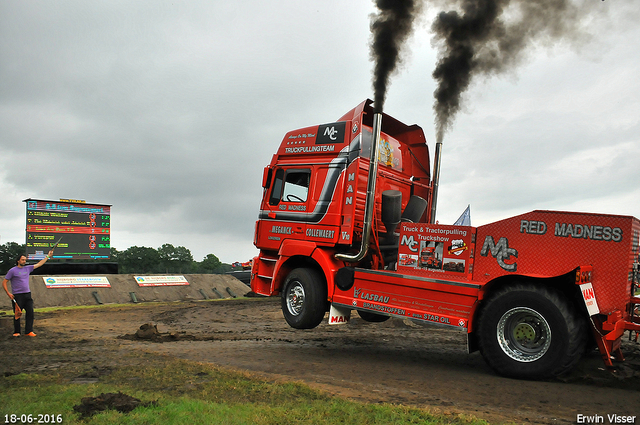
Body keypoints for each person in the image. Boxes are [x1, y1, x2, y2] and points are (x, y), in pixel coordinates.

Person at [3, 249, 54, 337]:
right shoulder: (12, 270)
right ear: (18, 261)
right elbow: (4, 282)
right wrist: (8, 293)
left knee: (30, 312)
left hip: (27, 294)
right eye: (23, 260)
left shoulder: (28, 268)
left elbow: (39, 264)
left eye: (25, 259)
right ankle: (17, 332)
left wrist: (48, 256)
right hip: (17, 295)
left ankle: (28, 331)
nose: (24, 261)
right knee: (17, 314)